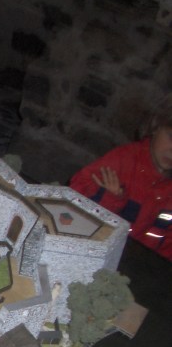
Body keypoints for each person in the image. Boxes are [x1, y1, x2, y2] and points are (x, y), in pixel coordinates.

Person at [70, 95, 172, 261]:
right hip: (92, 251)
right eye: (171, 137)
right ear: (156, 126)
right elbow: (74, 199)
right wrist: (110, 199)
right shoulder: (124, 160)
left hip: (136, 263)